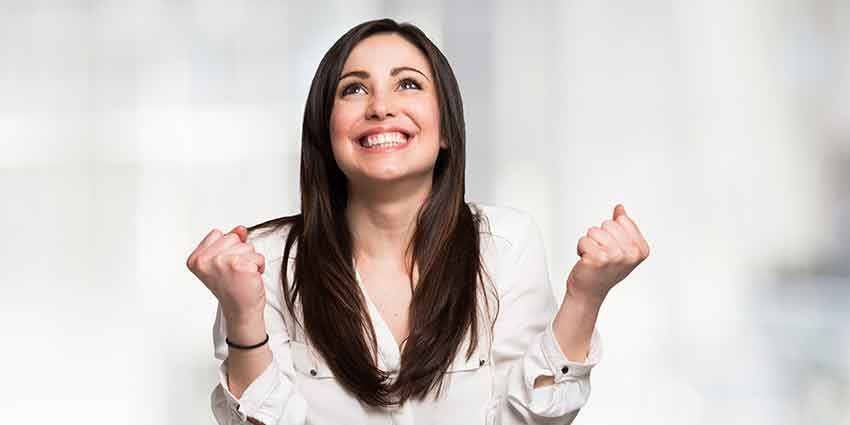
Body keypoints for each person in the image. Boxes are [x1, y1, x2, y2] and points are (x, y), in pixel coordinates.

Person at [186, 18, 649, 425]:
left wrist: (585, 298)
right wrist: (243, 316)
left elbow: (530, 423)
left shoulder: (504, 244)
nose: (381, 106)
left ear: (446, 129)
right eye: (354, 88)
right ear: (325, 134)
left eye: (407, 84)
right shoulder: (263, 262)